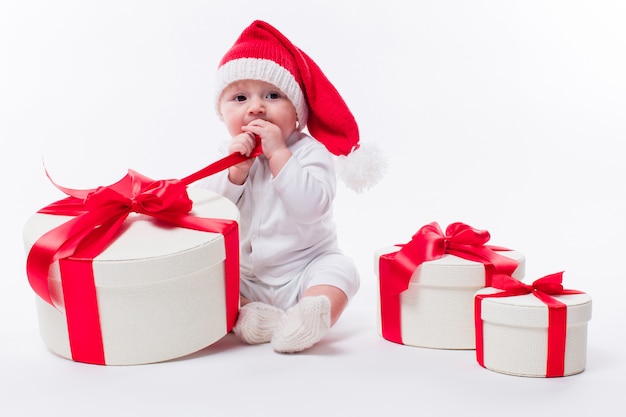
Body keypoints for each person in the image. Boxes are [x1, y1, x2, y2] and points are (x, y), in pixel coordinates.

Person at [200, 20, 364, 353]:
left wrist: (278, 154)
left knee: (342, 271)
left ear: (298, 113)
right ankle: (255, 315)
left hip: (305, 268)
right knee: (210, 282)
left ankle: (311, 314)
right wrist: (235, 173)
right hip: (250, 276)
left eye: (273, 96)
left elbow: (311, 208)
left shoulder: (310, 153)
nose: (256, 107)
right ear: (222, 111)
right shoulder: (230, 157)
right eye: (240, 97)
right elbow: (210, 215)